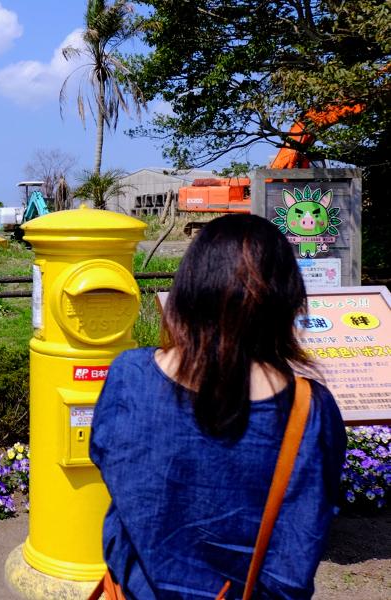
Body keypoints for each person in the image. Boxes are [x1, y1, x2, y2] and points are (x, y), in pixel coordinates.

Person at [90, 214, 346, 599]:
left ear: (189, 288)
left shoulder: (131, 375)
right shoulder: (308, 410)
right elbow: (296, 554)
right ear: (286, 298)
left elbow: (107, 457)